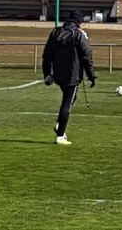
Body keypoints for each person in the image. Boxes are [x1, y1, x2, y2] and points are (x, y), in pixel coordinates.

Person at [42, 10, 96, 145]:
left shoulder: (55, 32)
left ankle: (60, 125)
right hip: (73, 76)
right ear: (79, 22)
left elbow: (47, 54)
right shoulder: (78, 34)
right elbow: (86, 55)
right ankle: (60, 135)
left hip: (58, 74)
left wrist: (47, 73)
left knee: (70, 97)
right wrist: (91, 75)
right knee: (67, 102)